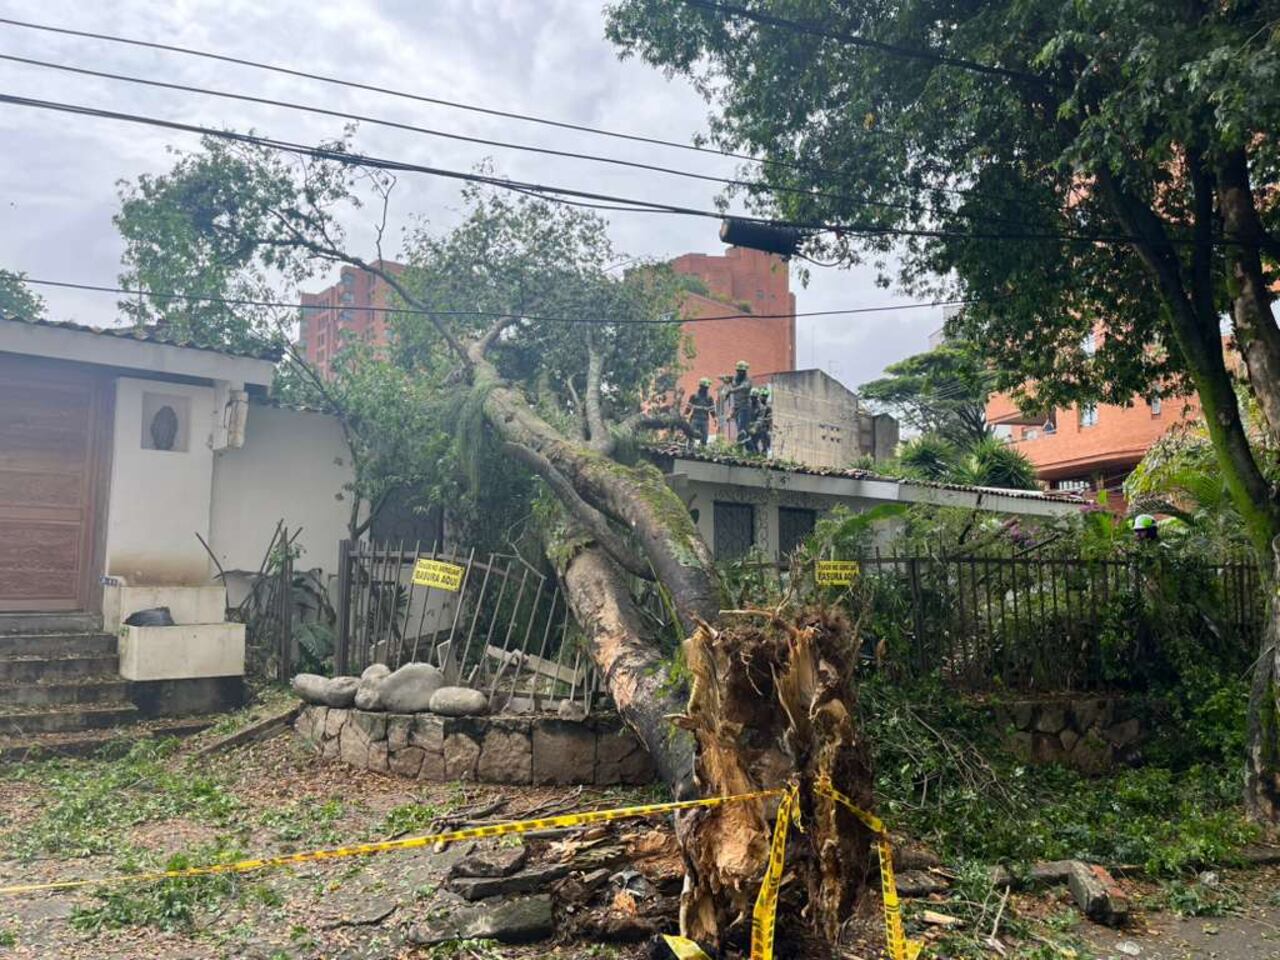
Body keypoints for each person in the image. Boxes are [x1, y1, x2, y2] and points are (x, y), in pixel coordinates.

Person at [722, 360, 753, 443]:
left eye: (742, 371)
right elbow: (729, 379)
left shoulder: (748, 380)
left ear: (745, 371)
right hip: (736, 407)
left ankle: (743, 439)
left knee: (742, 428)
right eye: (738, 371)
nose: (740, 373)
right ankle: (746, 444)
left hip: (745, 407)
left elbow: (743, 387)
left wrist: (730, 391)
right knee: (741, 432)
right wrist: (725, 379)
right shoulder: (735, 379)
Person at [683, 377, 717, 446]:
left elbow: (712, 410)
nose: (706, 389)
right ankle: (690, 448)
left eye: (707, 388)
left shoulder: (709, 398)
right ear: (700, 387)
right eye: (704, 387)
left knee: (704, 437)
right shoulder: (694, 396)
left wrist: (715, 418)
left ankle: (702, 449)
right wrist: (685, 415)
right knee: (691, 436)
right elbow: (688, 408)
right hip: (695, 419)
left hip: (705, 420)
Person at [751, 384, 773, 457]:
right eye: (763, 395)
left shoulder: (768, 408)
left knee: (766, 442)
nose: (764, 397)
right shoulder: (755, 405)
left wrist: (767, 420)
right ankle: (755, 455)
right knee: (753, 443)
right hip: (755, 427)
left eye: (766, 396)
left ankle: (764, 455)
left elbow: (769, 418)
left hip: (764, 428)